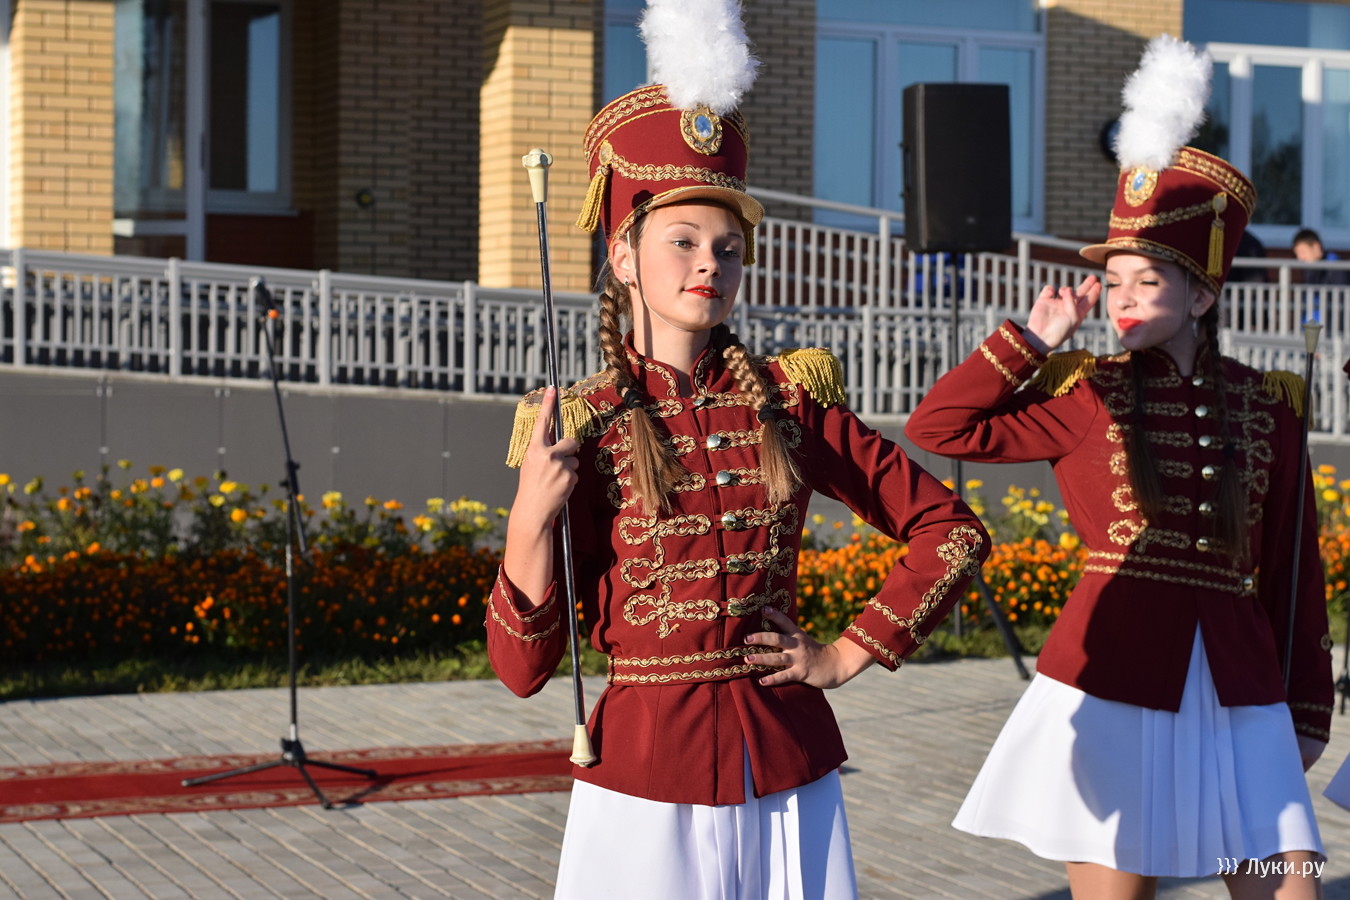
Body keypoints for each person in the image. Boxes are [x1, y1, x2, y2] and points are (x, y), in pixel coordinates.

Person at [483, 10, 989, 897]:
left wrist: (845, 654)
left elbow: (950, 530)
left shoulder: (790, 399)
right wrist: (531, 516)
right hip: (642, 777)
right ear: (624, 257)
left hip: (784, 762)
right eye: (681, 241)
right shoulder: (579, 423)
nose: (709, 264)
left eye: (727, 248)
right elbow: (523, 673)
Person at [905, 40, 1333, 899]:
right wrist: (1031, 342)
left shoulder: (1268, 407)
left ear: (1203, 295)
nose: (1124, 296)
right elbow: (939, 425)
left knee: (1289, 886)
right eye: (1117, 280)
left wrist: (1307, 704)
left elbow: (1294, 571)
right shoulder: (1086, 395)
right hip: (1112, 685)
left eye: (1148, 280)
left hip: (1242, 689)